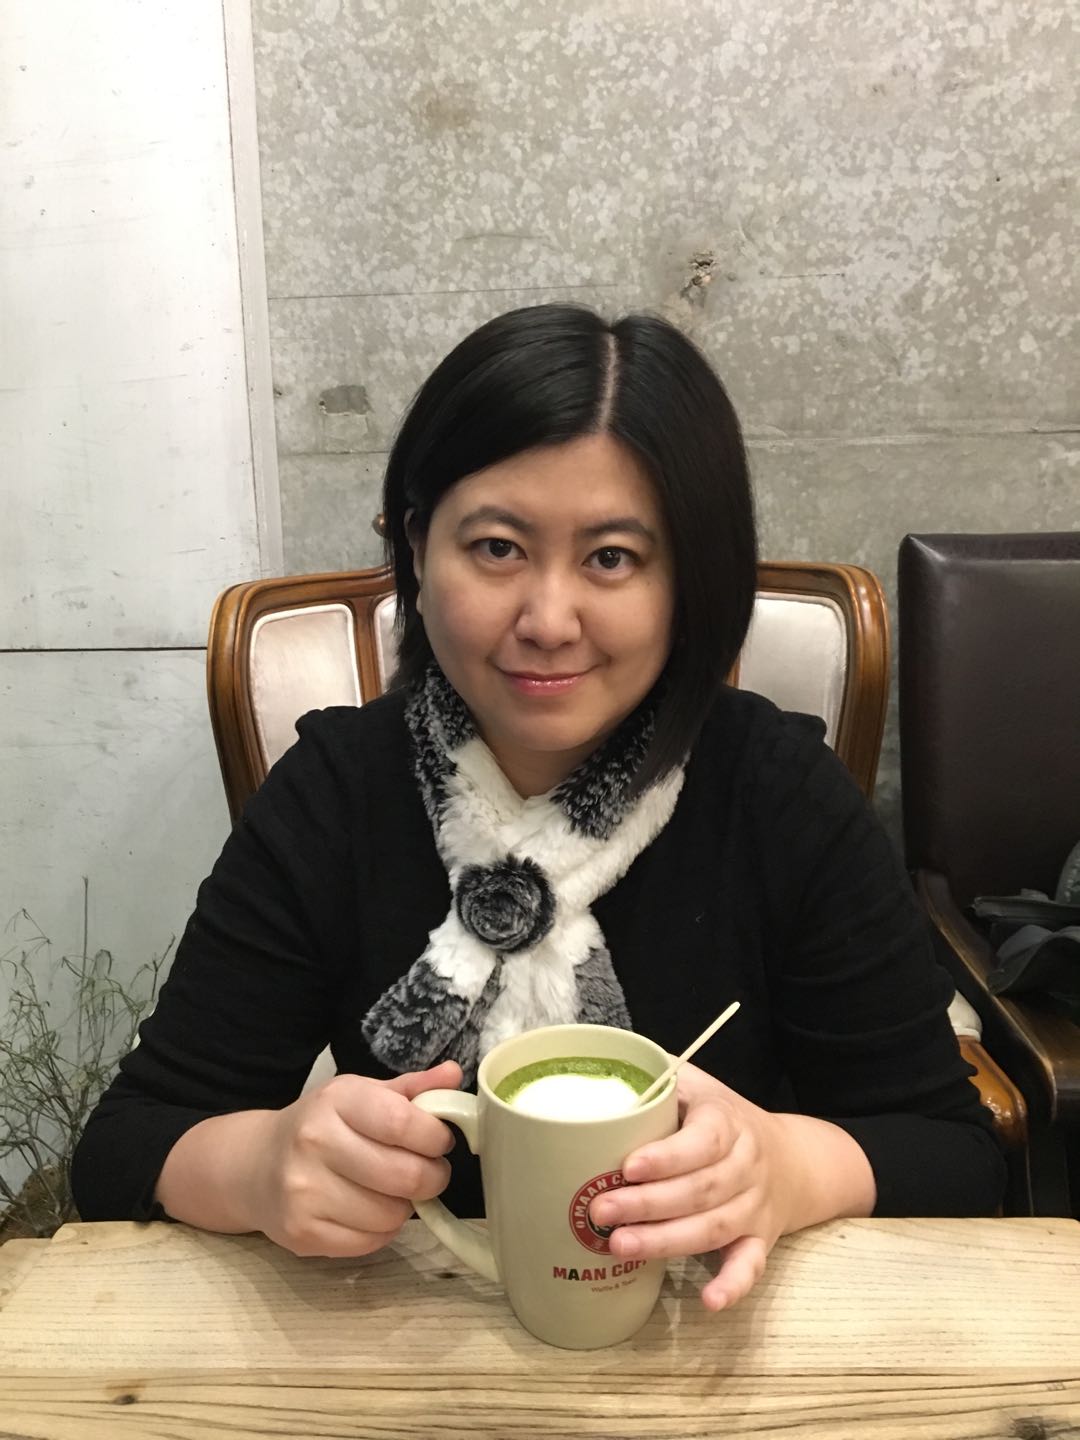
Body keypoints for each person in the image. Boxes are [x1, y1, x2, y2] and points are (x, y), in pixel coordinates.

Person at [72, 304, 1005, 1311]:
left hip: (701, 1333)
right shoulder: (336, 793)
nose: (549, 621)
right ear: (418, 549)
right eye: (497, 548)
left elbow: (955, 1155)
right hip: (404, 1339)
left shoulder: (779, 797)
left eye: (612, 558)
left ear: (689, 579)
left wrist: (787, 1167)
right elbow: (126, 1146)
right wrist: (259, 1166)